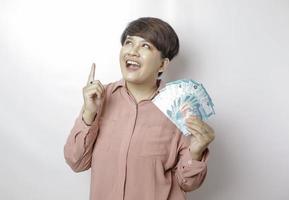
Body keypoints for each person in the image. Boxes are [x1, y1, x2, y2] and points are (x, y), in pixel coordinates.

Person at [64, 17, 215, 200]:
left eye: (145, 46)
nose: (133, 51)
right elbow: (76, 162)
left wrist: (196, 151)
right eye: (129, 42)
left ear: (162, 64)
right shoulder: (99, 98)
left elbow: (188, 184)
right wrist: (89, 114)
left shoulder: (180, 110)